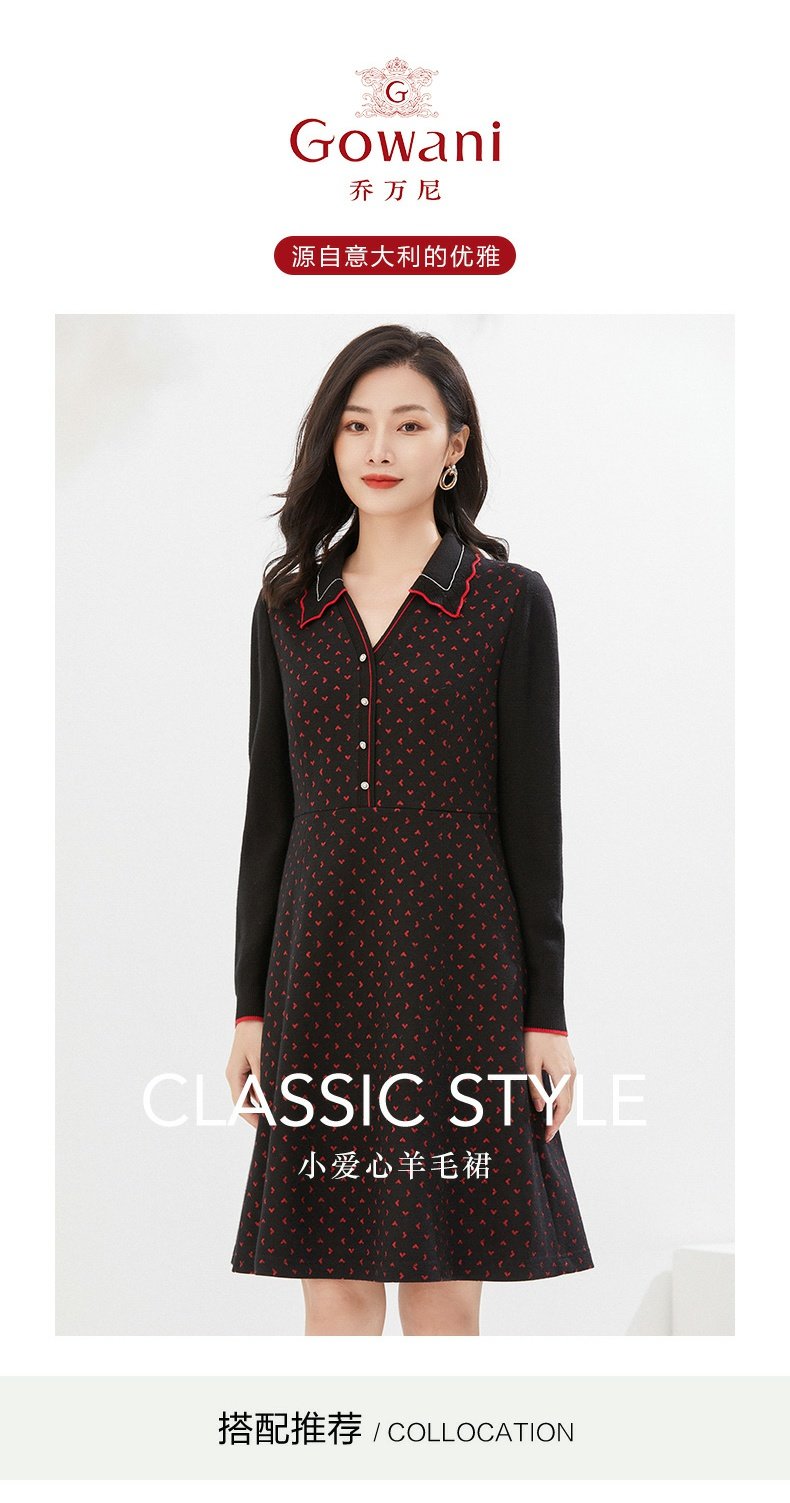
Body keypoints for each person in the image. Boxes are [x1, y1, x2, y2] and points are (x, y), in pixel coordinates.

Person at [226, 323, 594, 1336]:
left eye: (408, 425)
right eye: (354, 426)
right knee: (332, 1285)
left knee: (444, 1287)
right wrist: (250, 1005)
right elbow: (269, 816)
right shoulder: (287, 606)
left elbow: (536, 825)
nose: (378, 449)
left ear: (455, 445)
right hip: (318, 966)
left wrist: (547, 1015)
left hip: (463, 971)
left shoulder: (507, 602)